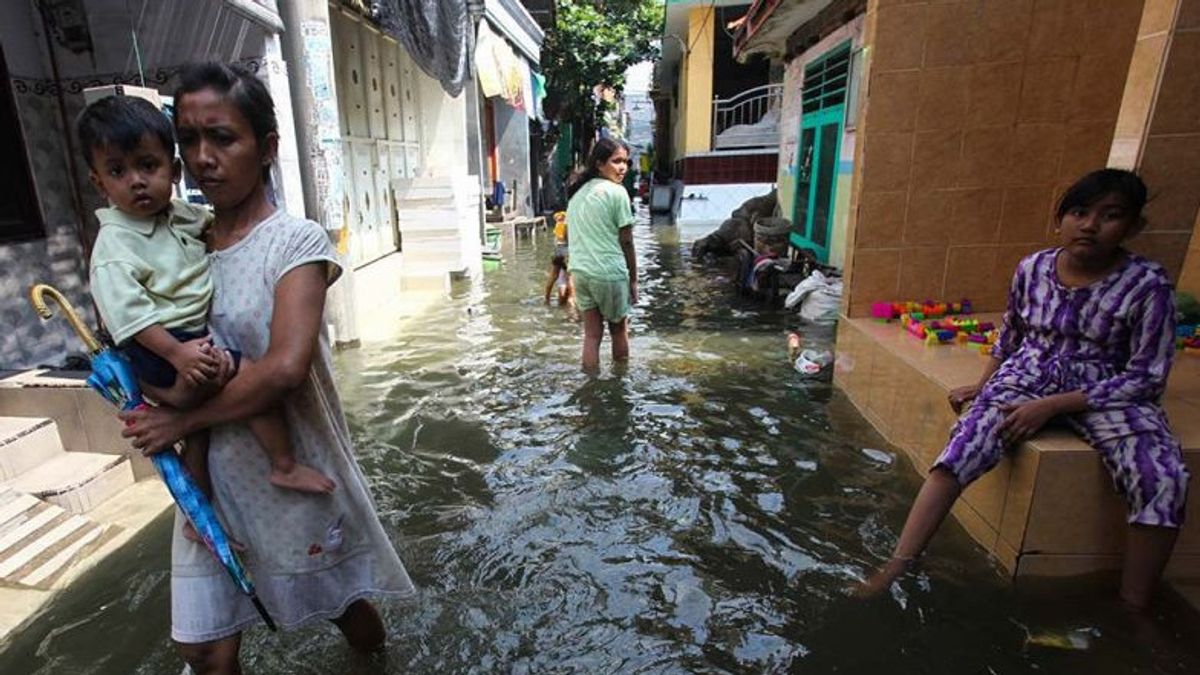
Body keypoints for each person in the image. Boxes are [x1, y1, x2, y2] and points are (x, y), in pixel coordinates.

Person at [118, 62, 414, 673]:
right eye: (190, 141)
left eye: (223, 138)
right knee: (204, 648)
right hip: (206, 476)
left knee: (343, 608)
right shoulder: (179, 241)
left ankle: (378, 663)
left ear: (267, 148)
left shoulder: (295, 243)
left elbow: (285, 368)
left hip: (288, 468)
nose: (203, 157)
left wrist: (176, 423)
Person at [857, 169, 1189, 610]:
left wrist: (1051, 406)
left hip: (1108, 388)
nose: (1090, 225)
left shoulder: (1149, 285)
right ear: (1060, 220)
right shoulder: (1032, 269)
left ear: (1133, 227)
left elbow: (1147, 376)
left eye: (1110, 216)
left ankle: (1135, 603)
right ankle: (897, 564)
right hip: (1027, 374)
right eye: (1079, 212)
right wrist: (983, 386)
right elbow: (1011, 335)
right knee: (961, 449)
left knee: (1161, 475)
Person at [78, 95, 334, 501]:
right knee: (248, 374)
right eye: (117, 171)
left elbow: (215, 224)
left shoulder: (179, 217)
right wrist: (177, 356)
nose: (137, 181)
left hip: (181, 340)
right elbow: (129, 318)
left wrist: (182, 415)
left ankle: (199, 505)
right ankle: (283, 465)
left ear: (173, 171)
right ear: (99, 183)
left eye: (148, 166)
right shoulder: (115, 247)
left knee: (198, 434)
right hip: (160, 345)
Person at [565, 138, 637, 371]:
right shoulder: (617, 193)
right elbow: (626, 240)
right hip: (608, 273)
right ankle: (621, 384)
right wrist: (634, 280)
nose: (623, 167)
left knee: (592, 336)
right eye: (617, 161)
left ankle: (590, 387)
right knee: (619, 332)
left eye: (626, 162)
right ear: (599, 164)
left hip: (581, 273)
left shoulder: (577, 195)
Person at [543, 210, 574, 306]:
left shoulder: (558, 226)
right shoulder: (567, 225)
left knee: (552, 276)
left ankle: (546, 298)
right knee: (570, 278)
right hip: (567, 251)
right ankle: (571, 300)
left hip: (558, 251)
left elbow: (558, 240)